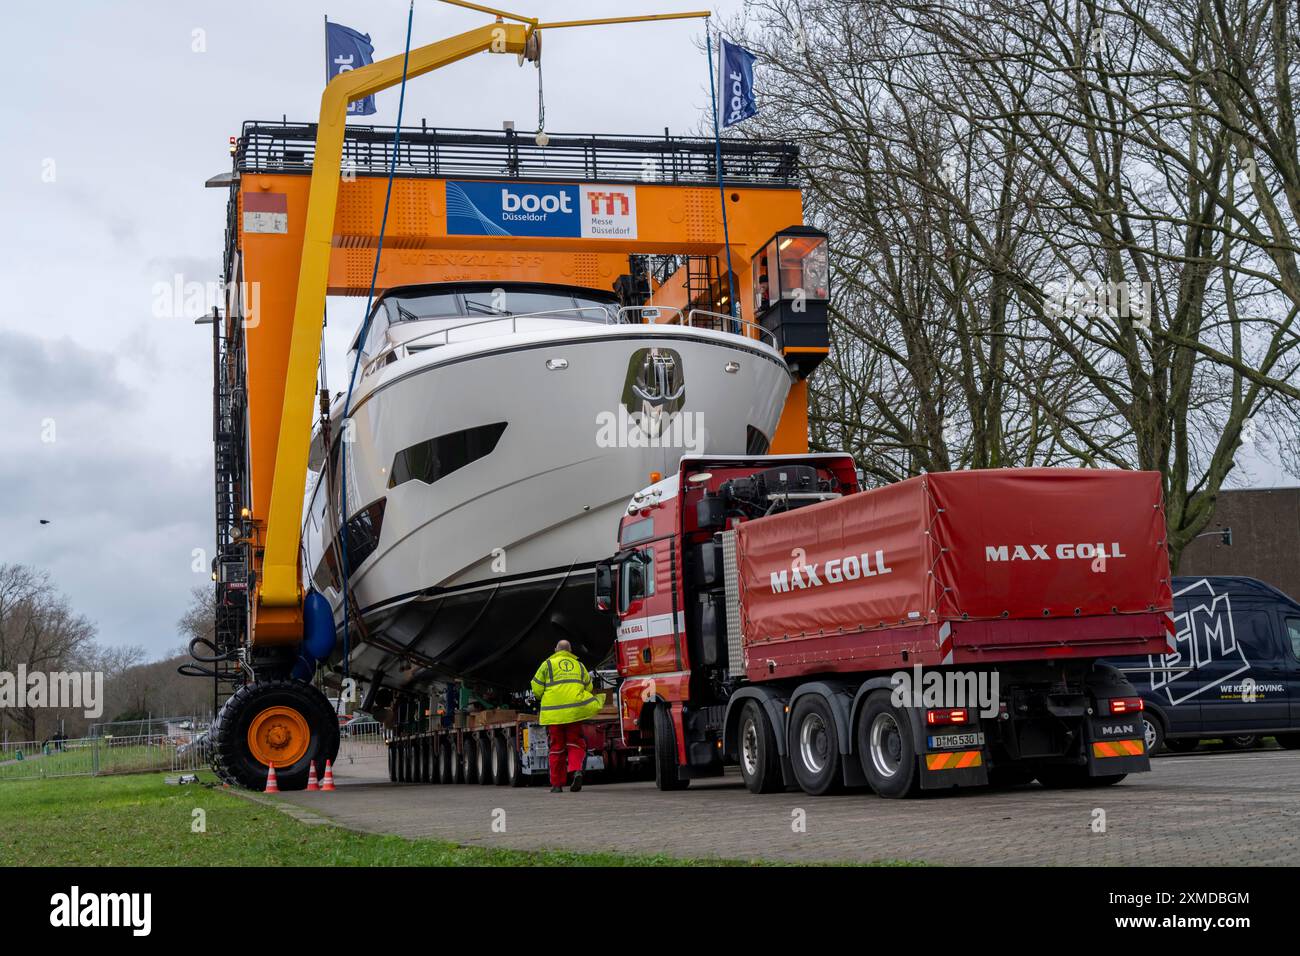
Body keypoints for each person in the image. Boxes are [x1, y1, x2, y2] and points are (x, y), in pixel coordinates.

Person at [529, 640, 604, 792]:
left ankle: (557, 785)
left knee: (556, 748)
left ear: (555, 649)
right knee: (575, 743)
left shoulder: (547, 664)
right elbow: (588, 687)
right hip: (574, 713)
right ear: (570, 651)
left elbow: (536, 688)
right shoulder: (579, 665)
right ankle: (576, 770)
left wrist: (545, 696)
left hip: (554, 714)